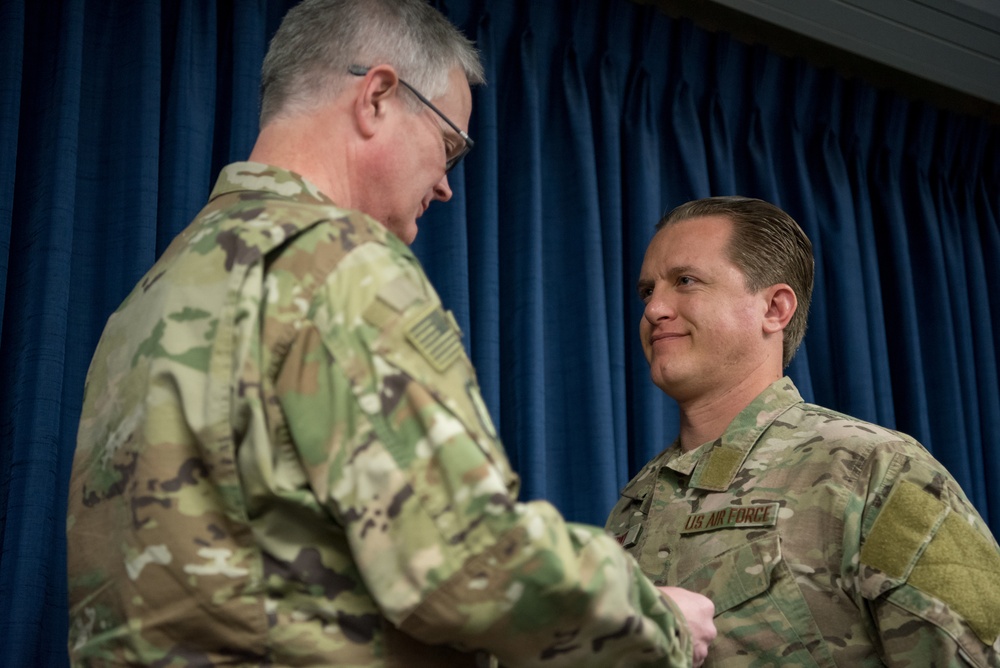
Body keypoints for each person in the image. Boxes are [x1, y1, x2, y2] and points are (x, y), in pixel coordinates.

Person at [65, 1, 717, 666]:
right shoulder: (340, 263)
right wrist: (657, 618)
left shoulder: (152, 297)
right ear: (376, 96)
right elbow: (461, 561)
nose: (445, 187)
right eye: (450, 148)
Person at [606, 195, 1000, 666]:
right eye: (648, 291)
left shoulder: (872, 469)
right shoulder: (636, 503)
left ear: (775, 308)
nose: (654, 309)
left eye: (685, 282)